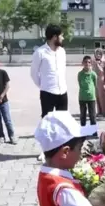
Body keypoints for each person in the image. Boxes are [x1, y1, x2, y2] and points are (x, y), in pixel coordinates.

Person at [30, 24, 67, 161]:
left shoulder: (62, 52)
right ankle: (45, 151)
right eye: (61, 35)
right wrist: (43, 86)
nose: (63, 38)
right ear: (54, 37)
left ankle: (61, 148)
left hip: (62, 91)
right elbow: (33, 73)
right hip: (47, 92)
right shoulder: (40, 52)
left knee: (62, 122)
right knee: (47, 123)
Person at [78, 56, 98, 129]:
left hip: (91, 97)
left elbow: (95, 85)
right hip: (82, 97)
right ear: (83, 63)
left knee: (92, 115)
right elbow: (80, 84)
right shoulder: (80, 74)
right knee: (83, 115)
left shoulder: (93, 74)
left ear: (91, 64)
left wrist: (92, 92)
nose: (87, 63)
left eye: (89, 62)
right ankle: (83, 131)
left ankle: (93, 132)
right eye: (85, 62)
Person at [92, 48, 105, 118]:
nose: (98, 55)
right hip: (96, 80)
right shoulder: (93, 61)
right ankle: (99, 111)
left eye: (100, 53)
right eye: (97, 53)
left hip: (103, 80)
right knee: (98, 96)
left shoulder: (104, 61)